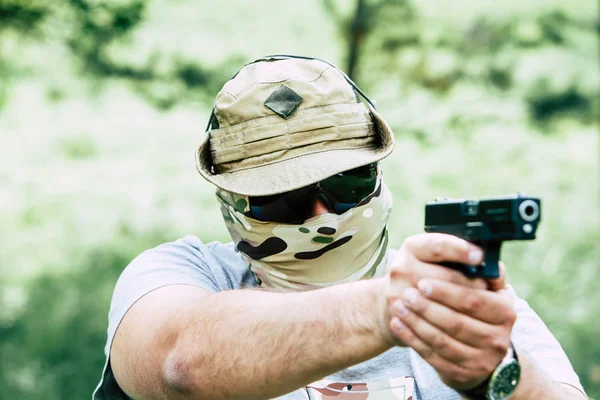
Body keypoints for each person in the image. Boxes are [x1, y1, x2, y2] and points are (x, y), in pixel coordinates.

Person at [93, 55, 587, 400]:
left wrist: (497, 376)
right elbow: (181, 366)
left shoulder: (449, 291)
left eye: (347, 183)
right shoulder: (182, 273)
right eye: (281, 199)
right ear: (232, 202)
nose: (321, 216)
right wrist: (395, 308)